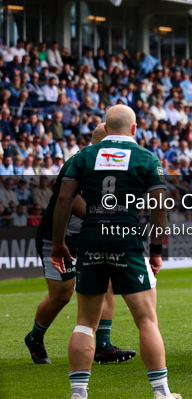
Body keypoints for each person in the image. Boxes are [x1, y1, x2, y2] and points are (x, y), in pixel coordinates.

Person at [50, 105, 180, 399]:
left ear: (105, 129)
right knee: (146, 320)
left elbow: (63, 200)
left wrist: (59, 244)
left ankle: (78, 393)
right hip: (126, 239)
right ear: (134, 129)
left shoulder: (83, 156)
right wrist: (156, 250)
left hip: (92, 237)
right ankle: (161, 392)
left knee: (85, 322)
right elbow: (159, 208)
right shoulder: (146, 157)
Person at [25, 123, 136, 366]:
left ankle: (103, 346)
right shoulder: (78, 161)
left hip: (88, 235)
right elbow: (70, 198)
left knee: (106, 283)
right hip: (60, 237)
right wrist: (100, 218)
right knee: (62, 295)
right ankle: (34, 337)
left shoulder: (112, 163)